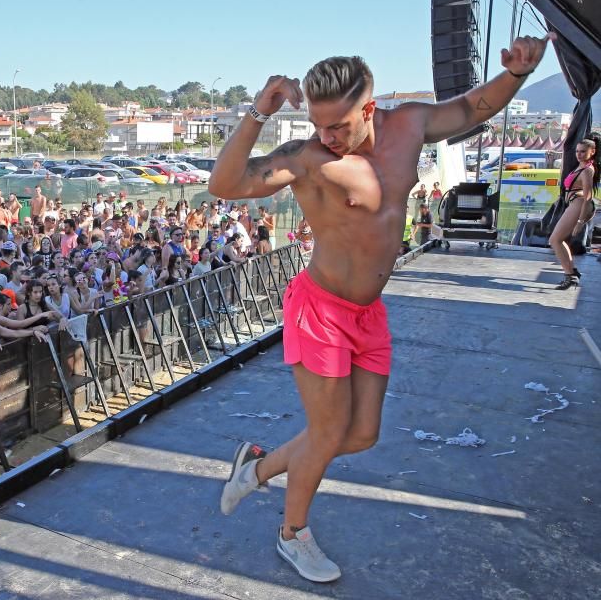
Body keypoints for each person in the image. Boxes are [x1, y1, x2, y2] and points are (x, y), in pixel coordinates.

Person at [210, 35, 552, 582]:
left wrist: (514, 75)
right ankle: (292, 534)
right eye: (319, 125)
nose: (327, 136)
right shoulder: (310, 159)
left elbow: (470, 108)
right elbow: (224, 184)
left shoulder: (409, 125)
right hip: (318, 309)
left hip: (368, 314)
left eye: (339, 125)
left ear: (369, 109)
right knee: (325, 432)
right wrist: (259, 112)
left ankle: (259, 466)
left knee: (362, 433)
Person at [549, 134, 599, 289]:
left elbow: (587, 197)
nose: (579, 154)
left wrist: (580, 222)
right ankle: (571, 272)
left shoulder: (587, 171)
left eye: (583, 151)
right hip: (574, 204)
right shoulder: (581, 167)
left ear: (593, 151)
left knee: (555, 240)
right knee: (557, 240)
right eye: (577, 151)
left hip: (579, 204)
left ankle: (570, 276)